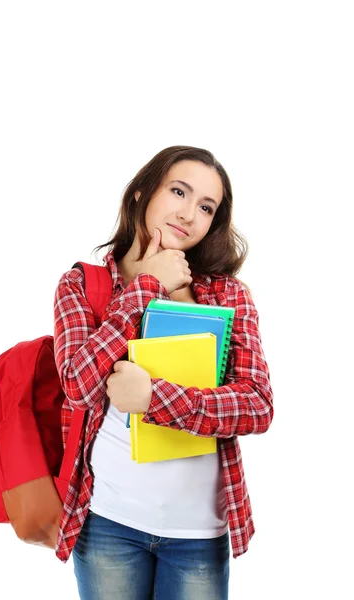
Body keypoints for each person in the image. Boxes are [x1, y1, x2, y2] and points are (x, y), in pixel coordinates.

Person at [53, 145, 274, 600]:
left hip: (199, 533)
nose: (190, 214)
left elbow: (257, 405)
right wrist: (145, 287)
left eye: (206, 206)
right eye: (179, 191)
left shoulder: (229, 296)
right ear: (140, 193)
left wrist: (153, 398)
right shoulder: (81, 284)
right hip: (108, 523)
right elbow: (78, 385)